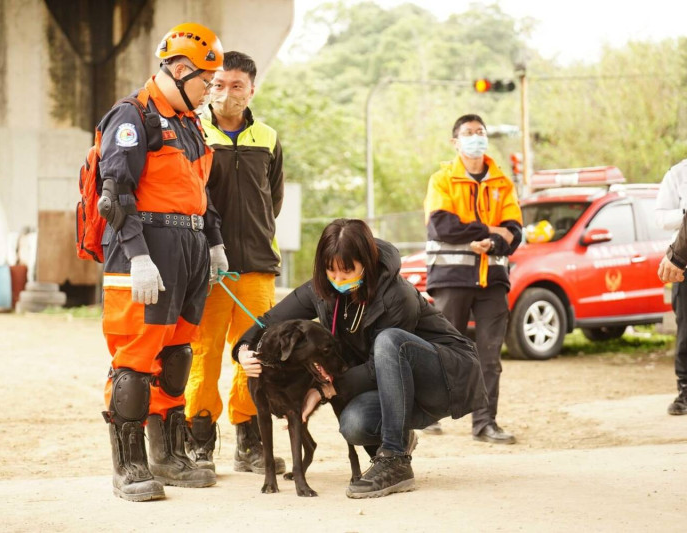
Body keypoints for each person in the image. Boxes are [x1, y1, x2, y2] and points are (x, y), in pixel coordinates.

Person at [232, 218, 488, 499]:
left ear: (365, 261)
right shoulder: (322, 288)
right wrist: (244, 349)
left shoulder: (396, 296)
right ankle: (399, 435)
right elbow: (271, 320)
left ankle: (394, 459)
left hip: (442, 376)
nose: (338, 280)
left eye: (347, 271)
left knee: (389, 340)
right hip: (397, 386)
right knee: (353, 424)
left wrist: (322, 389)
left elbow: (382, 362)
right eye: (331, 271)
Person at [96, 22, 228, 501]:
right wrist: (137, 257)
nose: (209, 91)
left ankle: (168, 457)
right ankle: (129, 467)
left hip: (189, 250)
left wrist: (213, 243)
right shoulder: (133, 116)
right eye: (205, 81)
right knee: (135, 360)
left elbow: (199, 192)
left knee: (177, 356)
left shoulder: (192, 124)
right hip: (145, 248)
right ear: (177, 68)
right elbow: (114, 196)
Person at [183, 51, 286, 474]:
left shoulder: (268, 137)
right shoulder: (193, 132)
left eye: (237, 85)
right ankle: (199, 441)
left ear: (252, 89)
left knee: (255, 353)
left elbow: (272, 199)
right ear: (210, 87)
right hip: (207, 267)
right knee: (204, 353)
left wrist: (255, 235)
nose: (228, 93)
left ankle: (249, 440)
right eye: (220, 84)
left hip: (258, 264)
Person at [422, 114, 523, 444]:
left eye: (481, 132)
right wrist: (491, 230)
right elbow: (442, 227)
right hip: (452, 278)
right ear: (455, 142)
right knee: (445, 350)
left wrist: (494, 240)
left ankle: (485, 424)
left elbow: (515, 232)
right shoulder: (442, 180)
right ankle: (428, 414)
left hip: (492, 280)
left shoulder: (502, 183)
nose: (476, 137)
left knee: (490, 356)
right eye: (469, 133)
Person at [655, 158, 687, 416]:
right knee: (686, 330)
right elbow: (662, 218)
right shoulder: (677, 174)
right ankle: (685, 390)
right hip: (684, 266)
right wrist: (685, 215)